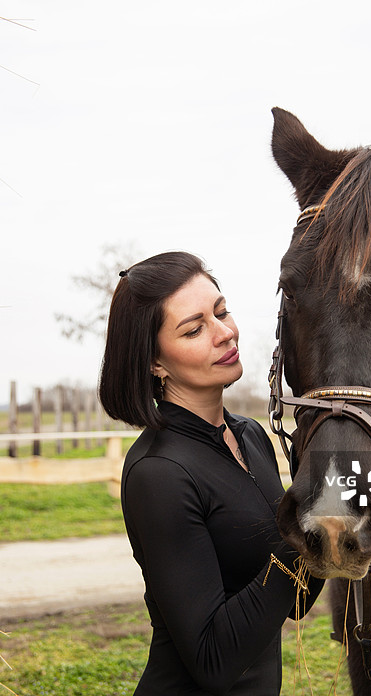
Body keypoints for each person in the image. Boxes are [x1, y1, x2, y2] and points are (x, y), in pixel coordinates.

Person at [99, 251, 323, 696]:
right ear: (154, 362)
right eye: (194, 329)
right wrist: (308, 521)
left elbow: (294, 601)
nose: (225, 333)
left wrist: (338, 489)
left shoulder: (250, 435)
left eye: (221, 312)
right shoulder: (159, 472)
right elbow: (213, 661)